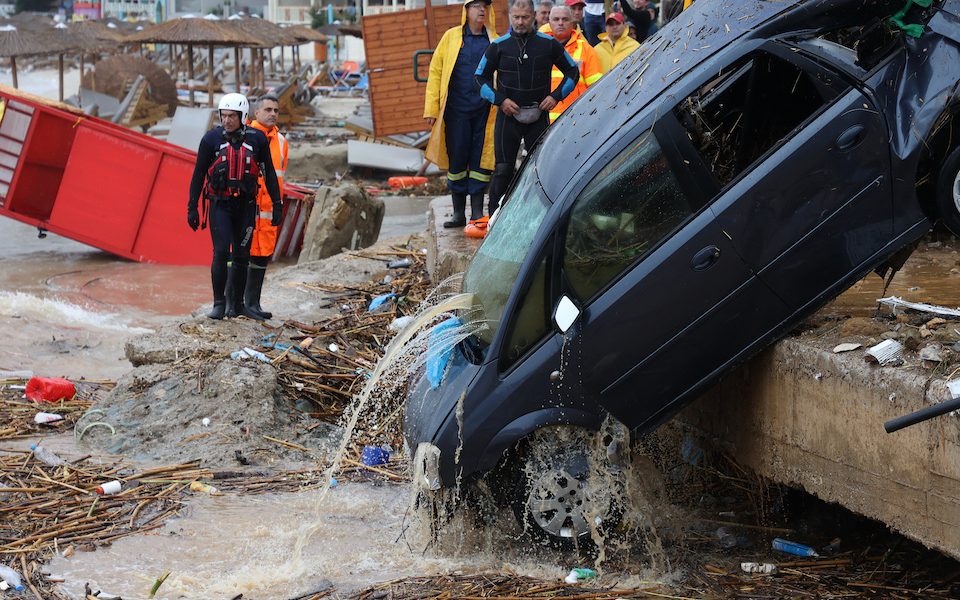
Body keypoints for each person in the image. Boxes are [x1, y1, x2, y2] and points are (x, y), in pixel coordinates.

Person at [475, 0, 579, 233]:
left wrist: (555, 96)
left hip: (538, 115)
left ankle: (538, 222)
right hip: (508, 116)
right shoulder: (499, 46)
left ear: (533, 16)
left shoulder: (548, 44)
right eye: (516, 17)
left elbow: (573, 71)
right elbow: (479, 77)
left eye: (524, 17)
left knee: (539, 171)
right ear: (510, 16)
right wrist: (500, 100)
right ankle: (494, 221)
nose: (520, 22)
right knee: (503, 169)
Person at [187, 93, 282, 320]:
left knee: (242, 255)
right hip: (220, 206)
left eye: (232, 116)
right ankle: (219, 304)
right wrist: (192, 207)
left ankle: (239, 306)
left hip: (246, 206)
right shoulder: (210, 140)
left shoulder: (257, 139)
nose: (227, 120)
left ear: (243, 116)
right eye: (224, 115)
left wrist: (277, 204)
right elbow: (198, 175)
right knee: (221, 253)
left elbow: (269, 173)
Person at [424, 0, 499, 230]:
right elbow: (435, 71)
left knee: (481, 162)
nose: (481, 10)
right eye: (475, 5)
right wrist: (431, 109)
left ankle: (477, 213)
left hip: (486, 113)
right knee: (457, 160)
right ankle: (458, 213)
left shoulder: (495, 40)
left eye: (485, 6)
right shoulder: (451, 37)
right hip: (456, 111)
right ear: (466, 10)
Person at [245, 93, 288, 320]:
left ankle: (254, 304)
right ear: (256, 113)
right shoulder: (244, 136)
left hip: (268, 212)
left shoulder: (281, 142)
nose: (272, 114)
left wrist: (278, 206)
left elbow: (280, 176)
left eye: (276, 111)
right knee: (241, 257)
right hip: (248, 210)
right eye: (268, 110)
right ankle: (237, 304)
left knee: (261, 259)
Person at [546, 4, 603, 123]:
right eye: (556, 19)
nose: (560, 23)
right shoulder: (539, 48)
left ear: (572, 23)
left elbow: (597, 89)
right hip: (544, 122)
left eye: (565, 19)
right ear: (549, 22)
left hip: (575, 121)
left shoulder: (586, 50)